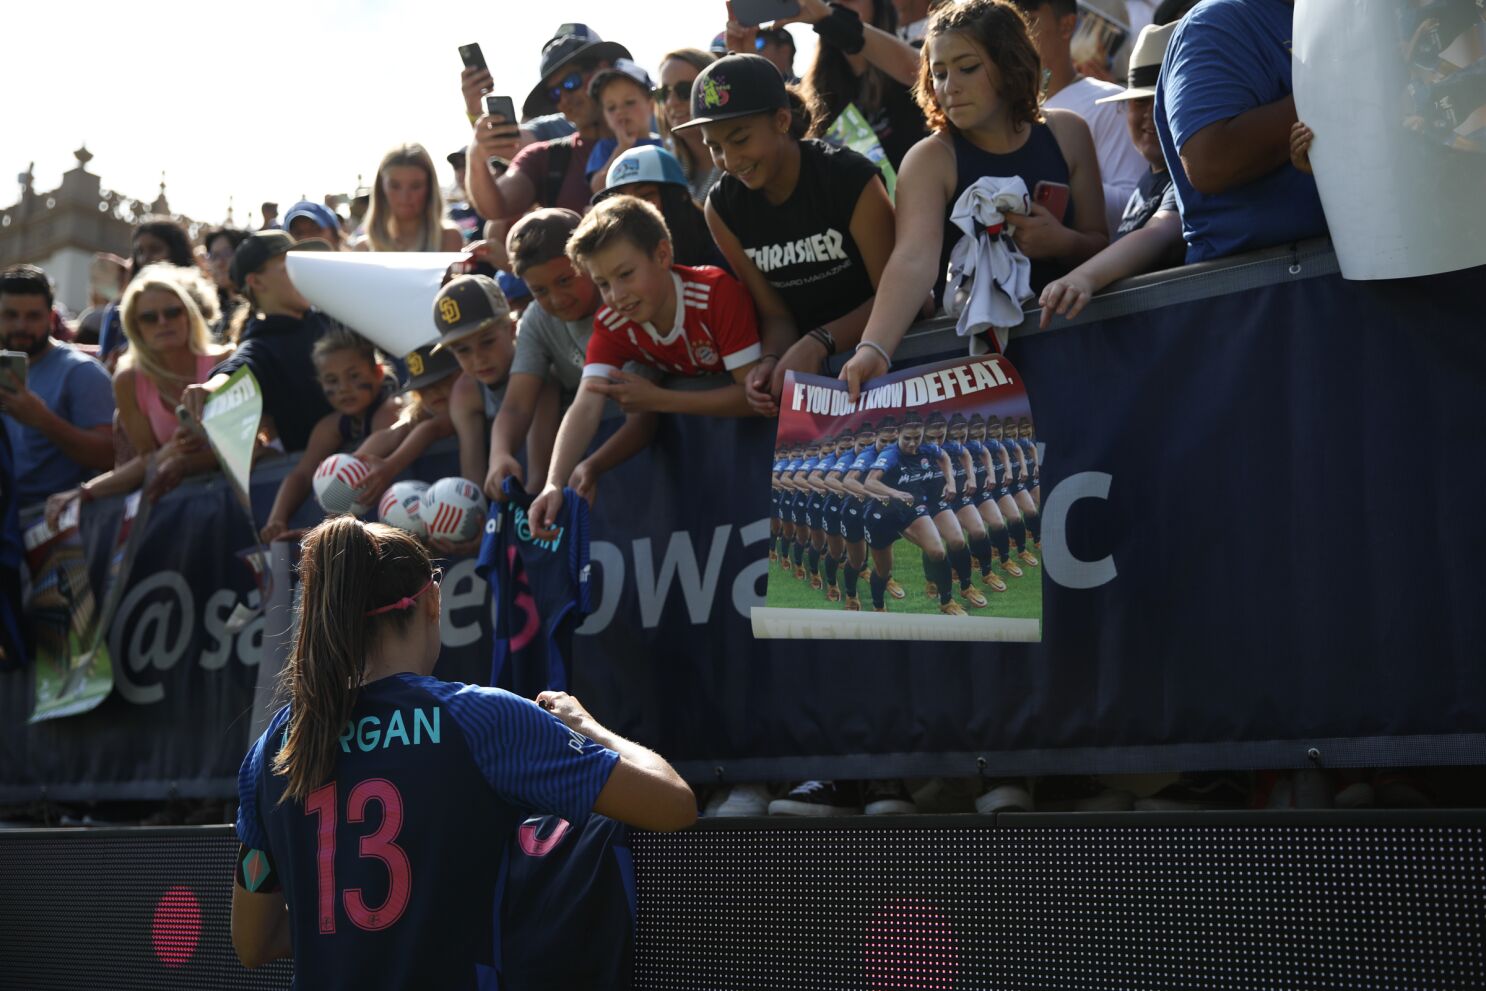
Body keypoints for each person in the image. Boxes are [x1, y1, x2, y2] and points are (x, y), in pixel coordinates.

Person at [230, 516, 695, 981]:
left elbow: (253, 942)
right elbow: (673, 803)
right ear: (432, 601)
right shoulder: (482, 719)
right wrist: (588, 727)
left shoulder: (276, 745)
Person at [840, 0, 1109, 397]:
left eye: (967, 68)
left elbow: (1100, 242)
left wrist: (1061, 242)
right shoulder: (931, 158)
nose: (950, 87)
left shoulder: (1068, 133)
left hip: (1076, 357)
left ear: (1011, 64)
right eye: (939, 73)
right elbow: (913, 259)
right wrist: (874, 347)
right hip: (974, 378)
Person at [528, 196, 766, 535]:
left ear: (663, 255)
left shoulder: (715, 294)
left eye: (625, 274)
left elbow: (754, 399)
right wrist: (554, 482)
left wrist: (659, 400)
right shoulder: (612, 322)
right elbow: (585, 404)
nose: (616, 295)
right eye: (603, 284)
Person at [682, 53, 896, 415]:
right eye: (715, 147)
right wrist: (769, 360)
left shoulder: (848, 179)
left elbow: (902, 298)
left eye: (740, 139)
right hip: (818, 383)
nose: (730, 162)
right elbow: (777, 315)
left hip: (893, 364)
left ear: (781, 121)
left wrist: (820, 342)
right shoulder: (721, 208)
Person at [45, 264, 233, 524]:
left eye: (172, 312)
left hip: (237, 502)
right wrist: (84, 492)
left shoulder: (226, 361)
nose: (163, 322)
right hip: (178, 516)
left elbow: (254, 444)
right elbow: (147, 461)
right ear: (135, 327)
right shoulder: (128, 380)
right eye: (149, 317)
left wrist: (186, 461)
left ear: (189, 315)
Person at [1154, 0, 1327, 263]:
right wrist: (1337, 87)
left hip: (1363, 267)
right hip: (1268, 288)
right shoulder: (1215, 22)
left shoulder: (1331, 14)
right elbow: (1210, 162)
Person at [1038, 21, 1184, 326]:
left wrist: (1082, 278)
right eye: (1138, 102)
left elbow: (1161, 232)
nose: (1149, 115)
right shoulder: (1148, 179)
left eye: (1162, 101)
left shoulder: (1183, 178)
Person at [179, 231, 335, 453]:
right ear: (256, 281)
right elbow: (238, 368)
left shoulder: (331, 314)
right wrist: (210, 389)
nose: (303, 272)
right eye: (289, 266)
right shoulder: (262, 345)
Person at [467, 24, 631, 220]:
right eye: (554, 94)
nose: (564, 99)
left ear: (603, 70)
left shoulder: (656, 138)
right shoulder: (543, 158)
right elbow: (496, 207)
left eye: (571, 82)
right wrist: (476, 156)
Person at [1013, 0, 1148, 234]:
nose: (1014, 35)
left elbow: (1136, 208)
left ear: (1067, 26)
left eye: (1027, 20)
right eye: (1009, 22)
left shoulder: (1109, 102)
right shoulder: (996, 111)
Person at [259, 328, 402, 543]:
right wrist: (277, 519)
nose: (343, 388)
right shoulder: (330, 426)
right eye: (332, 380)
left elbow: (352, 474)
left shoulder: (391, 410)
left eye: (354, 376)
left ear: (378, 373)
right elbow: (302, 475)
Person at [0, 265, 114, 507]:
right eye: (10, 315)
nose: (21, 326)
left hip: (50, 519)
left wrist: (43, 420)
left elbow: (110, 455)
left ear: (52, 318)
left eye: (33, 316)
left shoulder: (81, 372)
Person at [775, 0, 929, 169]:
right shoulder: (818, 86)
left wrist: (831, 17)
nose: (841, 4)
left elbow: (917, 70)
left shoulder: (906, 54)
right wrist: (748, 52)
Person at [351, 343, 463, 509]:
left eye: (442, 380)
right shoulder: (425, 409)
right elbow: (394, 433)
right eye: (423, 387)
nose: (432, 391)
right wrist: (347, 467)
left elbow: (432, 428)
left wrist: (390, 466)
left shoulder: (466, 400)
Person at [594, 146, 729, 269]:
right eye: (621, 202)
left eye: (645, 196)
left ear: (677, 197)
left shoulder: (719, 251)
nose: (631, 209)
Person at [98, 218, 198, 363]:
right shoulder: (118, 310)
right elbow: (105, 361)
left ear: (176, 251)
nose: (145, 258)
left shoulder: (198, 300)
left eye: (155, 249)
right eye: (139, 252)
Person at [355, 144, 464, 252]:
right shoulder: (363, 248)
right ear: (381, 189)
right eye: (395, 186)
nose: (405, 196)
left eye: (415, 186)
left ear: (430, 188)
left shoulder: (448, 238)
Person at [653, 48, 723, 204]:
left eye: (685, 90)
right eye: (664, 93)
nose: (671, 102)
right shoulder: (664, 170)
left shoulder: (743, 163)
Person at [585, 60, 665, 192]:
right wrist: (622, 148)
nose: (620, 111)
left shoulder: (664, 145)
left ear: (651, 106)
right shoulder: (605, 148)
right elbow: (597, 188)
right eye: (611, 108)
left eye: (629, 102)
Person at [201, 227, 251, 342]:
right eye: (214, 256)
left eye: (227, 253)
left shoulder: (258, 310)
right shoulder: (209, 310)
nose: (220, 262)